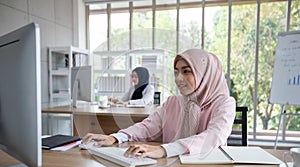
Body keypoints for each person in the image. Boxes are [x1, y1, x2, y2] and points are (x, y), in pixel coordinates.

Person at [82, 49, 236, 158]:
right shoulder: (173, 102)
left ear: (204, 74)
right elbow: (148, 126)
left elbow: (213, 137)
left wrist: (164, 149)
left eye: (186, 71)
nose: (178, 78)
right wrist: (115, 137)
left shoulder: (224, 104)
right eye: (176, 72)